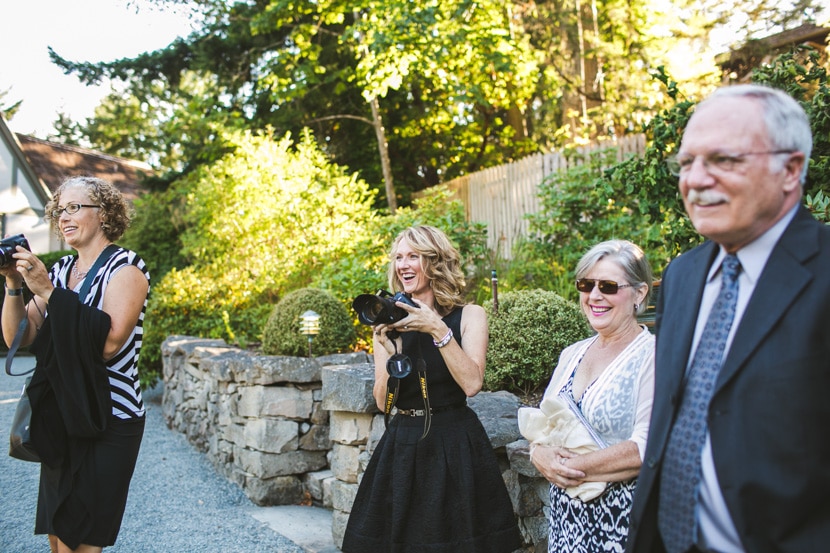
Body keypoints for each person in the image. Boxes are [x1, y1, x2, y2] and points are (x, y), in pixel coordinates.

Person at [625, 84, 830, 553]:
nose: (695, 180)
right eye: (687, 163)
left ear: (790, 169)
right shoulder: (683, 274)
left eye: (724, 160)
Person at [342, 225, 522, 553]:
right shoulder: (387, 322)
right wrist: (389, 350)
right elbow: (383, 402)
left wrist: (437, 330)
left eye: (414, 256)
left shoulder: (469, 315)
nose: (403, 265)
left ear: (435, 261)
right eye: (398, 257)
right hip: (403, 440)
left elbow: (472, 384)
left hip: (455, 440)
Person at [1, 176, 150, 553]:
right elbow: (21, 335)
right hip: (63, 414)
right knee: (59, 532)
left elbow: (109, 344)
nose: (63, 217)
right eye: (58, 210)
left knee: (83, 539)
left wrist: (49, 292)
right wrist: (14, 286)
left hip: (109, 417)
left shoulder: (126, 268)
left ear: (103, 215)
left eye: (74, 208)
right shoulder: (62, 268)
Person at [530, 239, 655, 552]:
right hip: (567, 522)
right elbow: (545, 428)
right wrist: (538, 454)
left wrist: (568, 467)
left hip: (622, 522)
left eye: (609, 286)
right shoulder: (571, 354)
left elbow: (645, 448)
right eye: (587, 284)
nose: (595, 296)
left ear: (639, 294)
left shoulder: (654, 356)